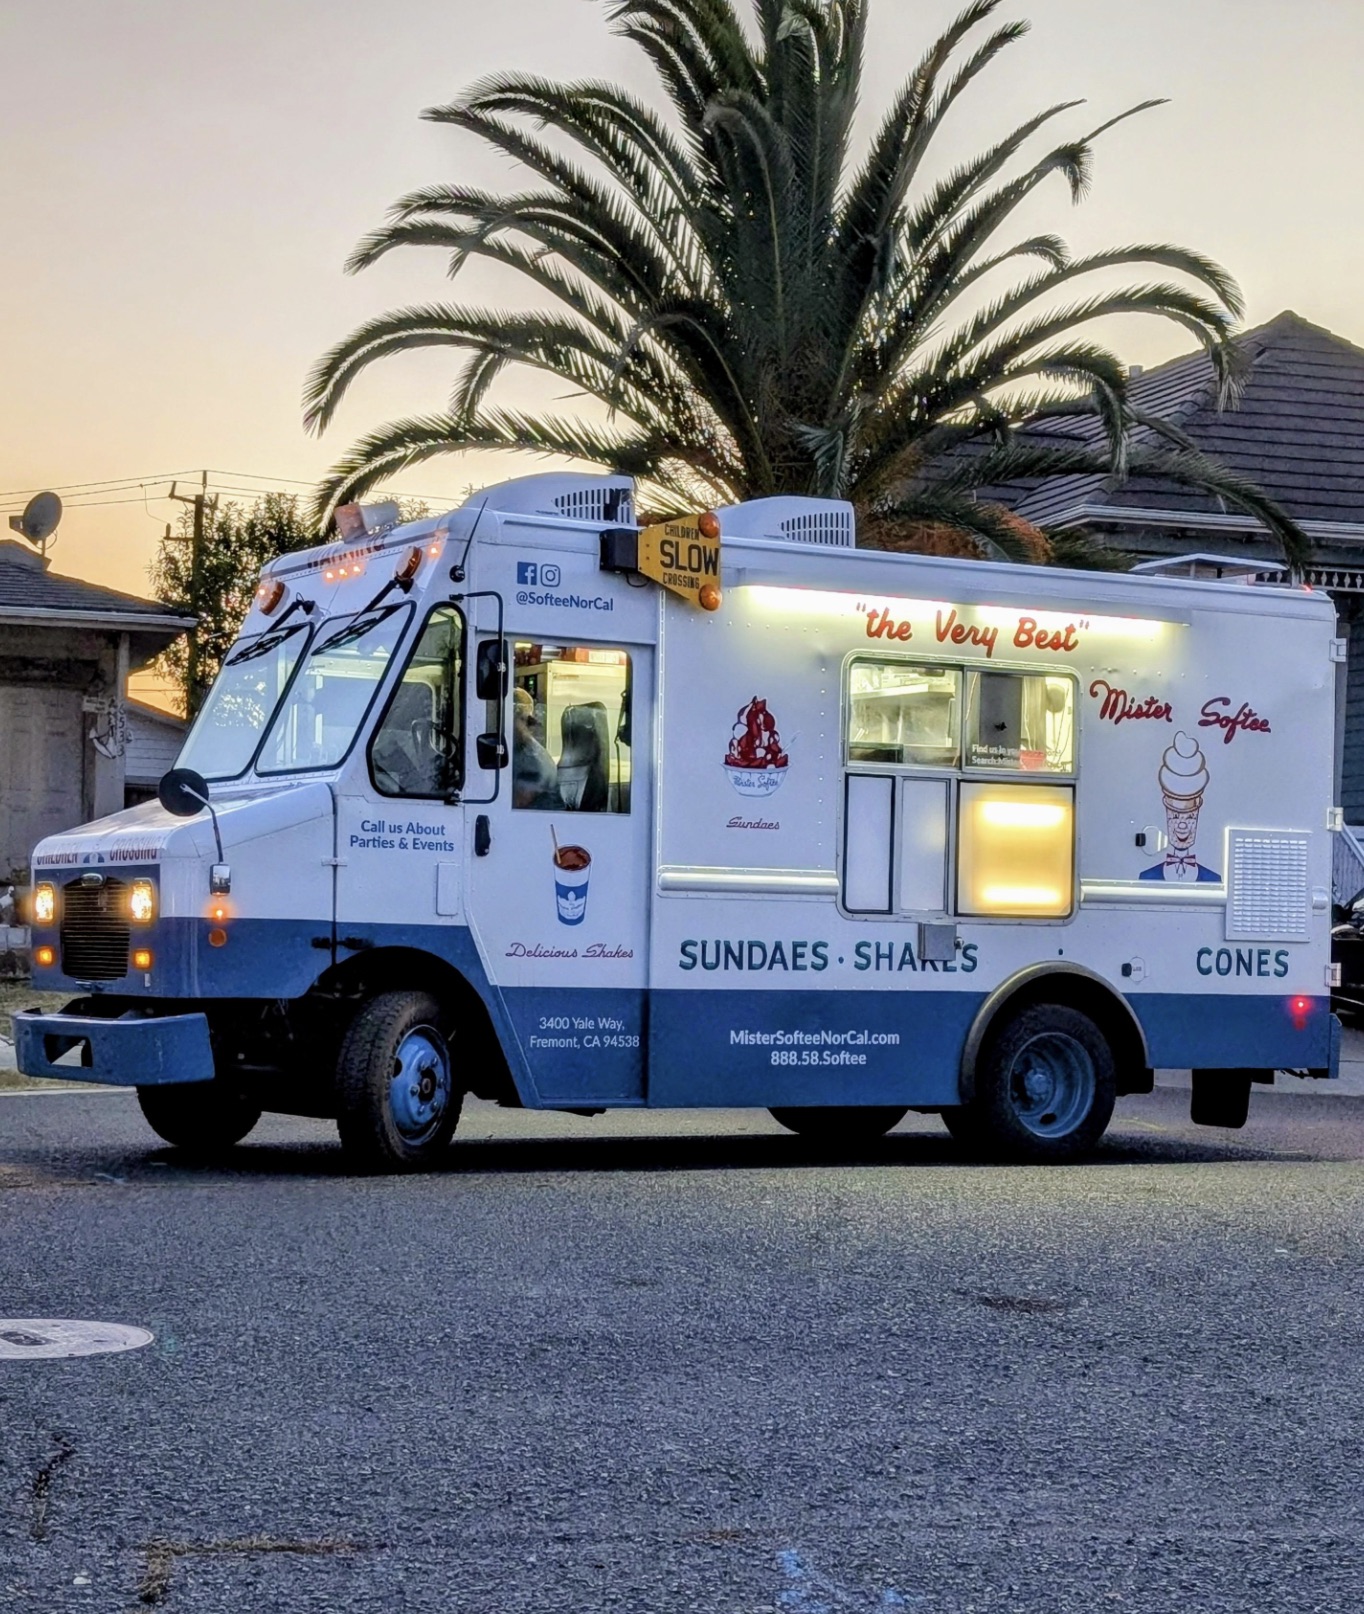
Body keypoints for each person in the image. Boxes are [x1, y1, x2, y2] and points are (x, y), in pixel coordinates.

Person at [512, 687, 562, 809]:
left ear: (524, 720)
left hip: (541, 824)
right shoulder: (518, 750)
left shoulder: (534, 760)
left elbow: (517, 802)